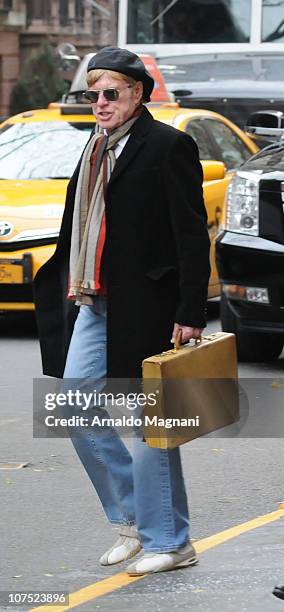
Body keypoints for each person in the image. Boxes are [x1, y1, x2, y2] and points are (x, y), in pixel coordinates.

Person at [34, 46, 210, 575]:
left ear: (137, 92)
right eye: (93, 94)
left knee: (151, 424)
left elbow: (190, 235)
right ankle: (137, 520)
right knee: (72, 406)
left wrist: (190, 309)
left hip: (151, 304)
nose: (100, 102)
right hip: (96, 300)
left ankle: (171, 541)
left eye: (110, 92)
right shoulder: (93, 148)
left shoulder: (168, 145)